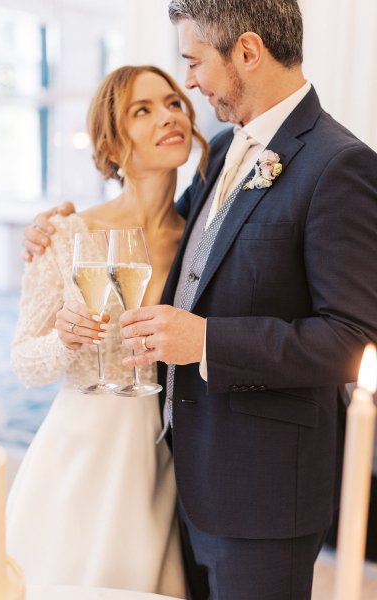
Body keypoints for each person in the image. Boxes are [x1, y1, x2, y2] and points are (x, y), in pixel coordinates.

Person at [23, 1, 377, 598]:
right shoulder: (221, 152)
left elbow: (351, 338)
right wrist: (59, 225)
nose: (189, 83)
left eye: (194, 62)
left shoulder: (339, 165)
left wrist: (204, 340)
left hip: (263, 497)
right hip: (179, 478)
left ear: (246, 51)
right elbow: (177, 245)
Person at [8, 64, 208, 596]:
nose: (169, 116)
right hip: (77, 458)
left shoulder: (204, 243)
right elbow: (24, 362)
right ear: (111, 146)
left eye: (172, 103)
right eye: (142, 110)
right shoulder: (65, 233)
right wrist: (64, 337)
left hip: (157, 456)